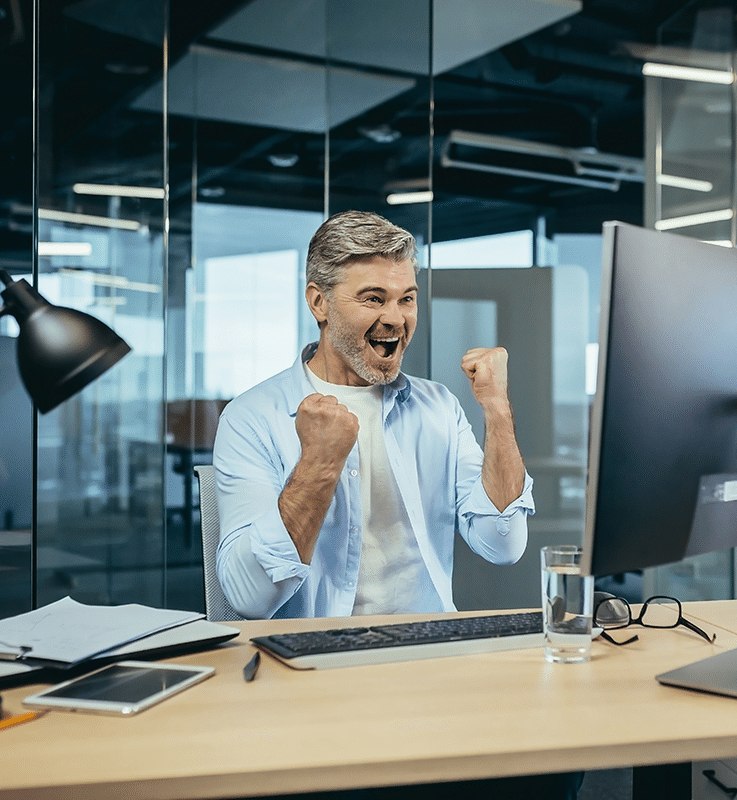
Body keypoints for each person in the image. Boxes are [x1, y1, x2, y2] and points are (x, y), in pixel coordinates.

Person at [213, 210, 534, 620]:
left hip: (430, 649)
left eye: (407, 299)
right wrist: (318, 465)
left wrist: (498, 410)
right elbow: (250, 598)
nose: (396, 319)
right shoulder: (251, 417)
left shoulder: (439, 408)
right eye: (373, 298)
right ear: (319, 302)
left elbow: (503, 544)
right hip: (314, 663)